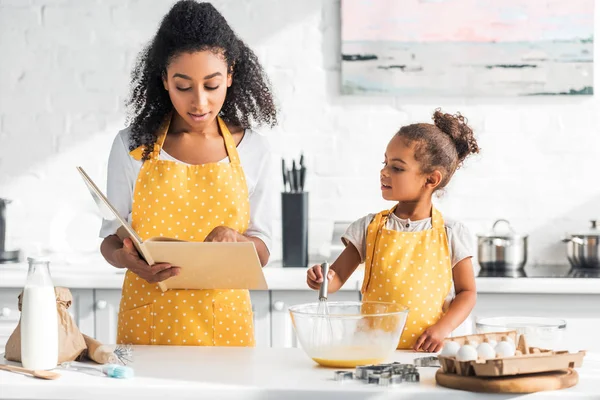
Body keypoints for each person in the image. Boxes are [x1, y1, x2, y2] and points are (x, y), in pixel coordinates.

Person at [99, 0, 277, 347]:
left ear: (230, 75)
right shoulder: (132, 146)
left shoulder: (254, 150)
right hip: (147, 323)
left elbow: (264, 249)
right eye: (184, 86)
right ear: (164, 80)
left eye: (211, 85)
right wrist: (126, 259)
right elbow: (110, 239)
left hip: (225, 326)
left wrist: (238, 241)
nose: (199, 103)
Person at [307, 109, 478, 352]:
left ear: (431, 180)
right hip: (373, 351)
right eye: (385, 162)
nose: (384, 172)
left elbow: (467, 292)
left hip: (427, 353)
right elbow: (336, 277)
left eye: (397, 168)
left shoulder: (451, 233)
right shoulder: (369, 228)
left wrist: (442, 329)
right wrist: (323, 280)